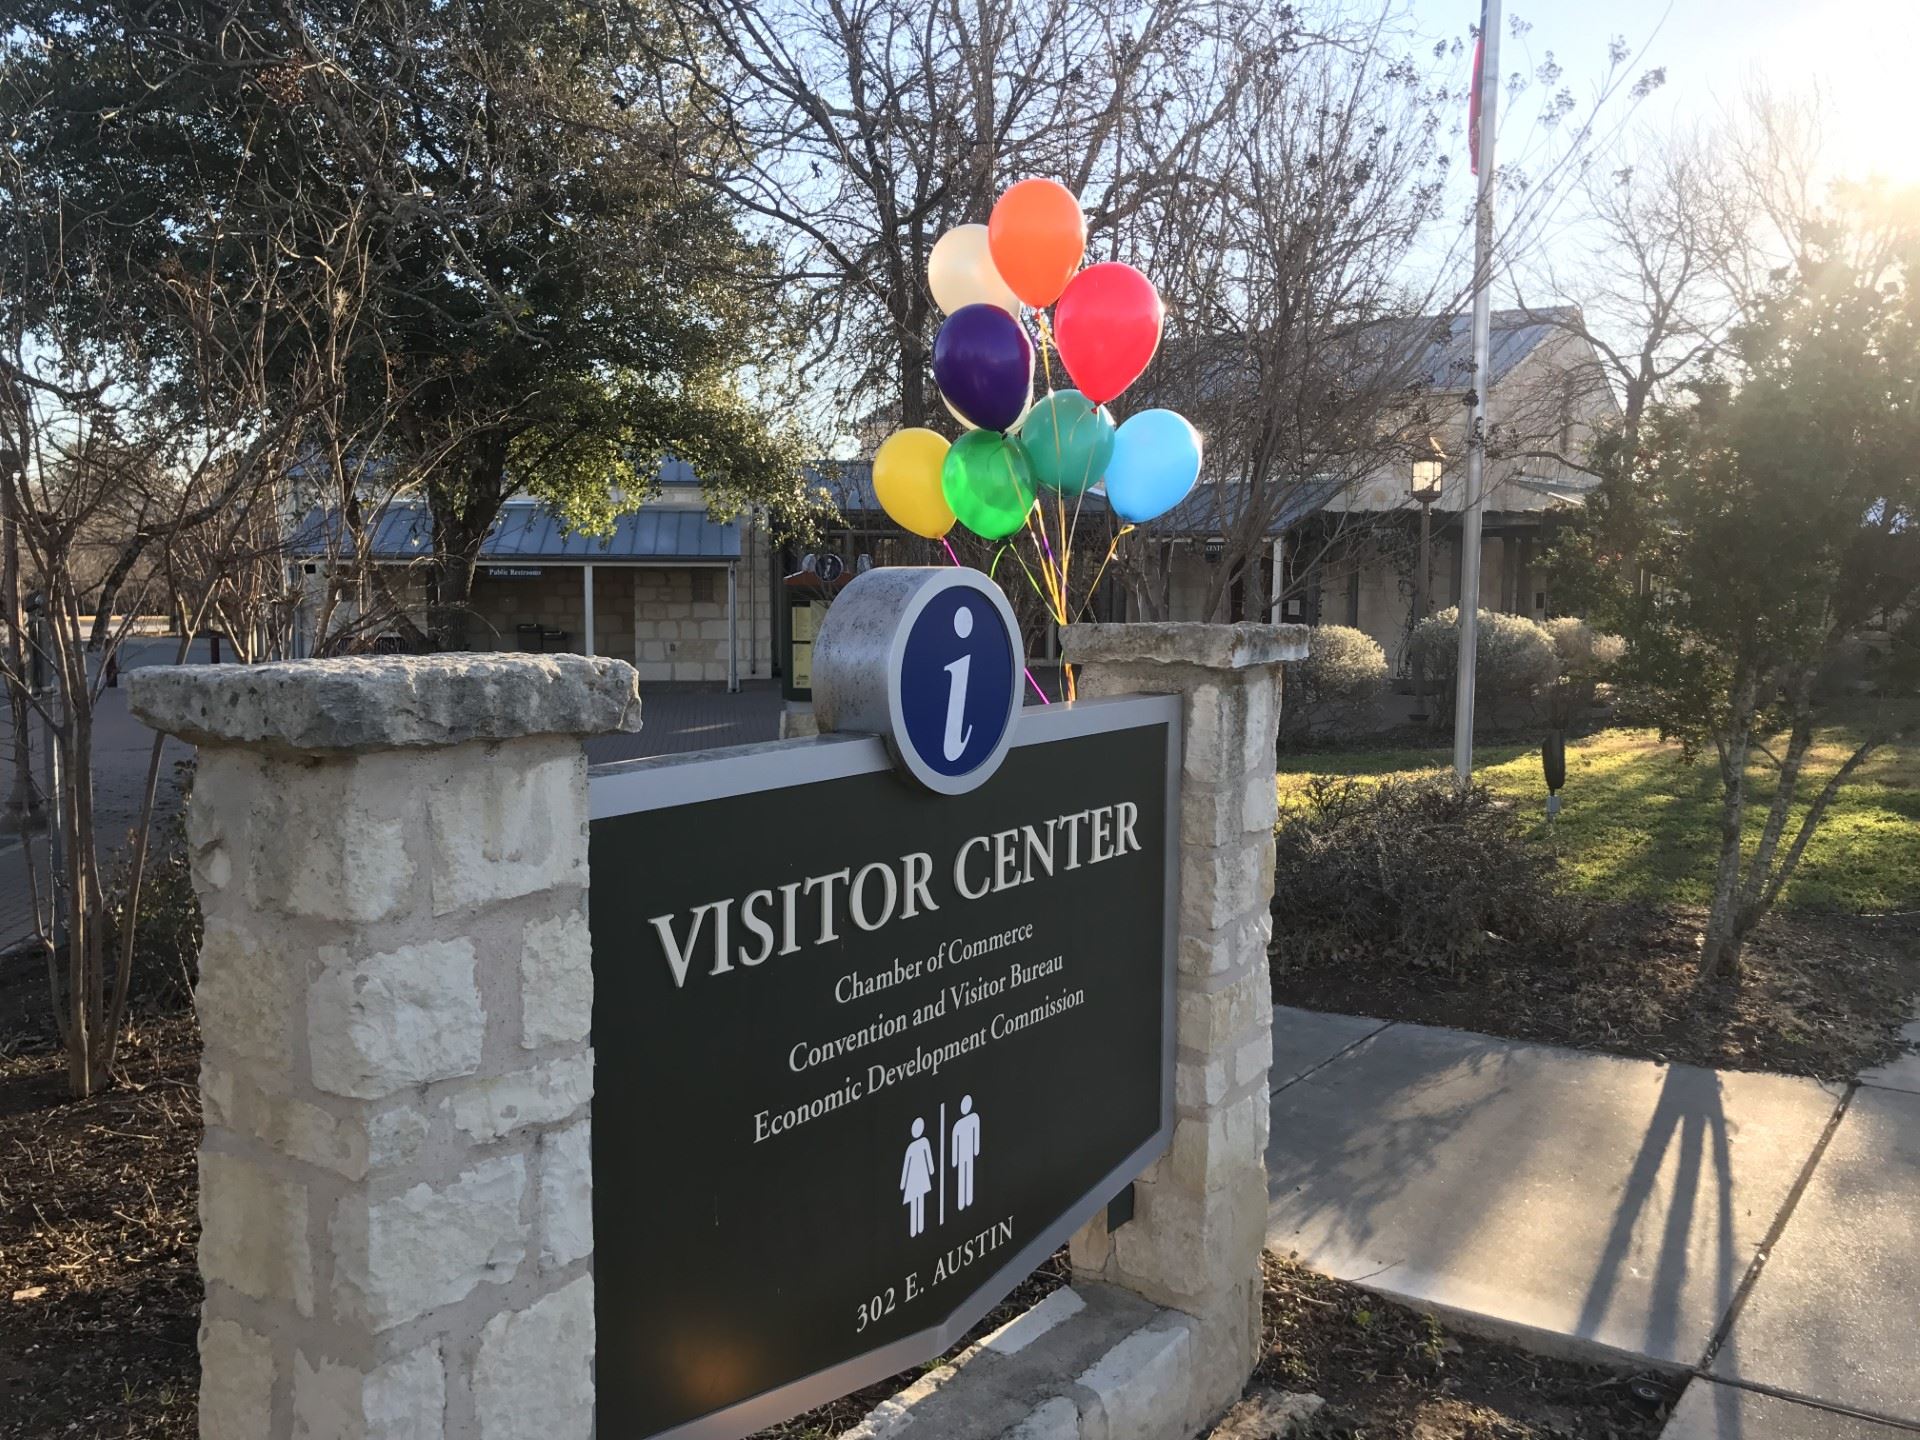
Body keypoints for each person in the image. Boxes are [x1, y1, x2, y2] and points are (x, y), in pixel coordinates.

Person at [900, 1117, 935, 1236]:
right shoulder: (911, 1147)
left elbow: (928, 1157)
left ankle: (919, 1228)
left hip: (922, 1176)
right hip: (913, 1179)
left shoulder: (924, 1142)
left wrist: (931, 1171)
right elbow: (906, 1165)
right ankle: (915, 1229)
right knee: (915, 1202)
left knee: (921, 1200)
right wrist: (903, 1183)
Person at [951, 1096, 981, 1211]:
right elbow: (955, 1140)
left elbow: (976, 1133)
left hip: (968, 1153)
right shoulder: (958, 1124)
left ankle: (968, 1198)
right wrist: (954, 1160)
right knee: (962, 1174)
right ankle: (961, 1201)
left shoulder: (974, 1118)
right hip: (961, 1154)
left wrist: (976, 1150)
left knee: (968, 1173)